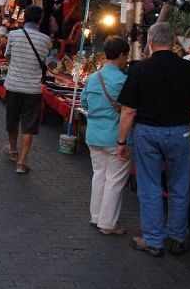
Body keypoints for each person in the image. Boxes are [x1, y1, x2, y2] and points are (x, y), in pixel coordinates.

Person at [117, 22, 190, 257]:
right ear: (174, 42)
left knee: (149, 186)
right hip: (179, 133)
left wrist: (121, 141)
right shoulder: (187, 68)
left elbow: (128, 110)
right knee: (179, 186)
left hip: (147, 132)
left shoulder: (140, 69)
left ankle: (153, 240)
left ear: (150, 42)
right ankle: (178, 237)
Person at [80, 36, 131, 236]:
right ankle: (108, 223)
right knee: (115, 180)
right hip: (116, 137)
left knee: (99, 175)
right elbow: (130, 111)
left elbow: (84, 104)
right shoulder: (124, 80)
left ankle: (96, 216)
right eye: (126, 55)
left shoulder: (93, 78)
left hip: (94, 135)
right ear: (120, 55)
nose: (126, 60)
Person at [2, 5, 51, 174]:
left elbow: (7, 55)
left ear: (24, 17)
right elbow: (44, 59)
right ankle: (22, 162)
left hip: (14, 85)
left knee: (12, 121)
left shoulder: (13, 35)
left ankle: (14, 150)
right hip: (32, 89)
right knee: (28, 126)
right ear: (40, 19)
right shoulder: (45, 39)